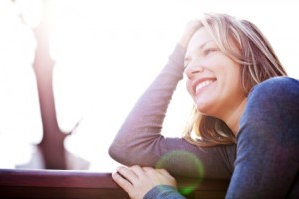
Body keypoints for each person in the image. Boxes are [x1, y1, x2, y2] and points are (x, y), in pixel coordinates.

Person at [108, 13, 299, 199]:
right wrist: (176, 59)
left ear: (250, 56)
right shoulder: (230, 154)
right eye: (186, 63)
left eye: (208, 51)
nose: (189, 70)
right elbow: (129, 146)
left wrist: (158, 194)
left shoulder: (276, 94)